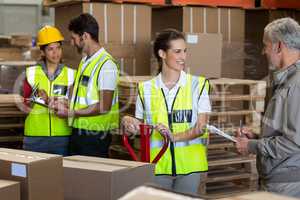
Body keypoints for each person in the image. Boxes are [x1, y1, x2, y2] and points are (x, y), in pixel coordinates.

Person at [122, 29, 211, 194]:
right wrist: (129, 123)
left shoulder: (198, 85)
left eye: (185, 51)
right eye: (177, 52)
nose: (183, 57)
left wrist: (174, 137)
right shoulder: (145, 89)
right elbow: (140, 128)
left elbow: (201, 127)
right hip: (157, 166)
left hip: (190, 168)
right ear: (162, 53)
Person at [235, 17, 300, 198]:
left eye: (266, 45)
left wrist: (252, 145)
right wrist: (257, 136)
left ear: (278, 46)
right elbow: (288, 131)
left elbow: (295, 142)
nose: (264, 51)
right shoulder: (284, 81)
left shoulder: (296, 85)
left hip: (288, 183)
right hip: (279, 177)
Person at [49, 13, 119, 157]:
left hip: (95, 135)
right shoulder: (85, 61)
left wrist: (70, 112)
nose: (73, 43)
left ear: (85, 36)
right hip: (79, 131)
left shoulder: (106, 65)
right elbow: (82, 95)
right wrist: (65, 103)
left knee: (91, 178)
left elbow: (104, 106)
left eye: (74, 38)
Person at [23, 25, 76, 156]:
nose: (55, 53)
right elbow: (25, 104)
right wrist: (37, 98)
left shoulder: (71, 74)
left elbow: (75, 104)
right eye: (50, 49)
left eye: (58, 48)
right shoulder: (31, 73)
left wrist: (56, 102)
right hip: (34, 137)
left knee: (60, 176)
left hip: (62, 136)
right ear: (42, 52)